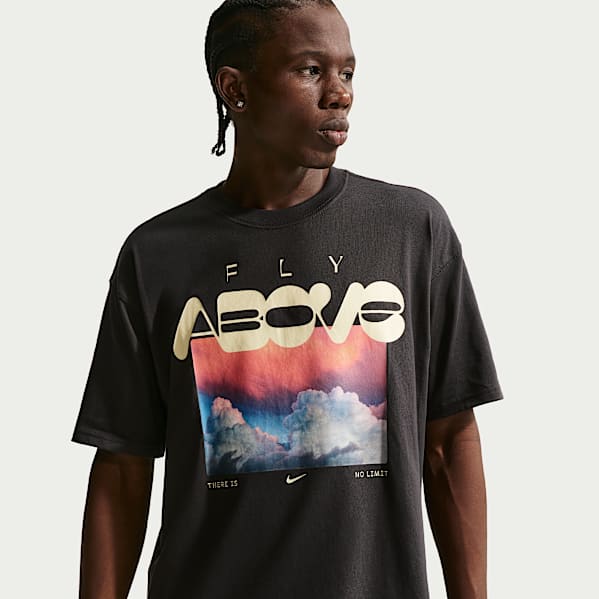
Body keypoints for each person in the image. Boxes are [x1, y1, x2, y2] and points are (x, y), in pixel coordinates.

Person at [71, 1, 504, 598]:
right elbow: (122, 468)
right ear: (235, 89)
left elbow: (449, 437)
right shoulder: (157, 254)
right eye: (310, 70)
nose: (340, 94)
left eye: (347, 72)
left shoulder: (411, 230)